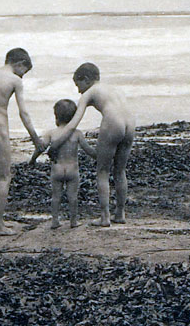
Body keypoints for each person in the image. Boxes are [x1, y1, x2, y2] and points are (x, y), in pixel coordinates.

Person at [50, 63, 134, 227]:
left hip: (113, 123)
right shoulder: (113, 89)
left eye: (78, 85)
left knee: (102, 171)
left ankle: (105, 217)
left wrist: (56, 145)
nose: (79, 90)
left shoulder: (89, 93)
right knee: (120, 170)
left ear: (86, 79)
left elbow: (73, 124)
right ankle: (120, 213)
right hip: (130, 123)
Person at [0, 48, 44, 236]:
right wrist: (35, 138)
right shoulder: (15, 80)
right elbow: (24, 113)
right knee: (5, 177)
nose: (23, 76)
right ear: (20, 63)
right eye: (25, 71)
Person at [29, 99, 97, 229]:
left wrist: (32, 160)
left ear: (56, 116)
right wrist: (101, 157)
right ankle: (73, 221)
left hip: (57, 170)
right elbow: (89, 150)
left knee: (56, 197)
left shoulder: (51, 133)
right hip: (72, 169)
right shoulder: (77, 133)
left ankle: (55, 221)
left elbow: (40, 148)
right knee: (73, 197)